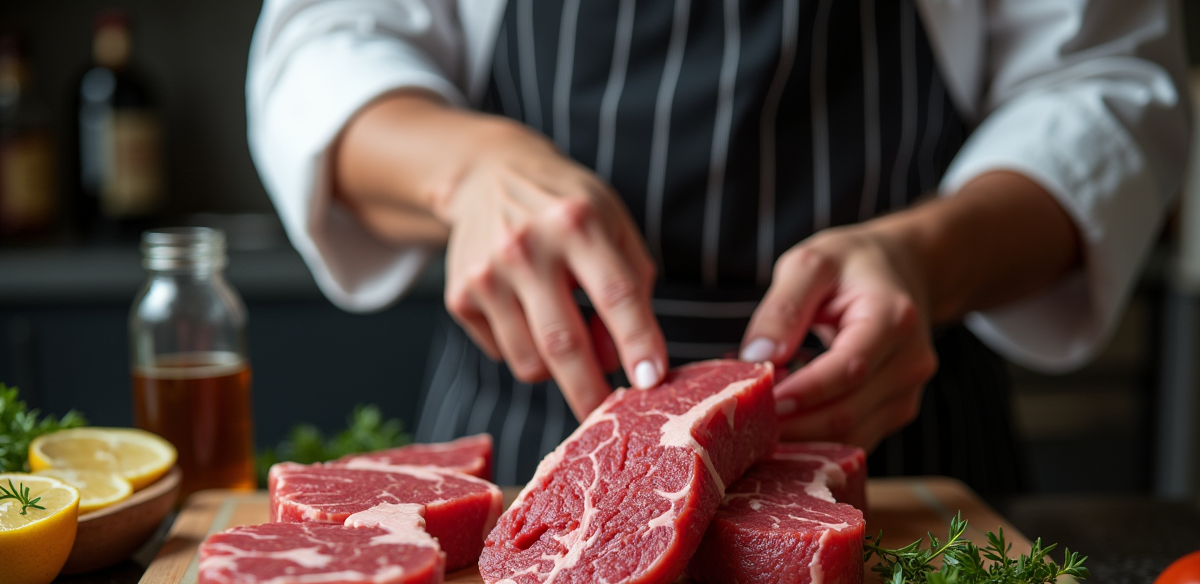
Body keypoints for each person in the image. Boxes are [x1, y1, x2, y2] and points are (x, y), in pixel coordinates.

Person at [247, 0, 1189, 488]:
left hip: (888, 445)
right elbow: (319, 49)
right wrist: (473, 169)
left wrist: (926, 258)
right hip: (528, 440)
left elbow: (1107, 94)